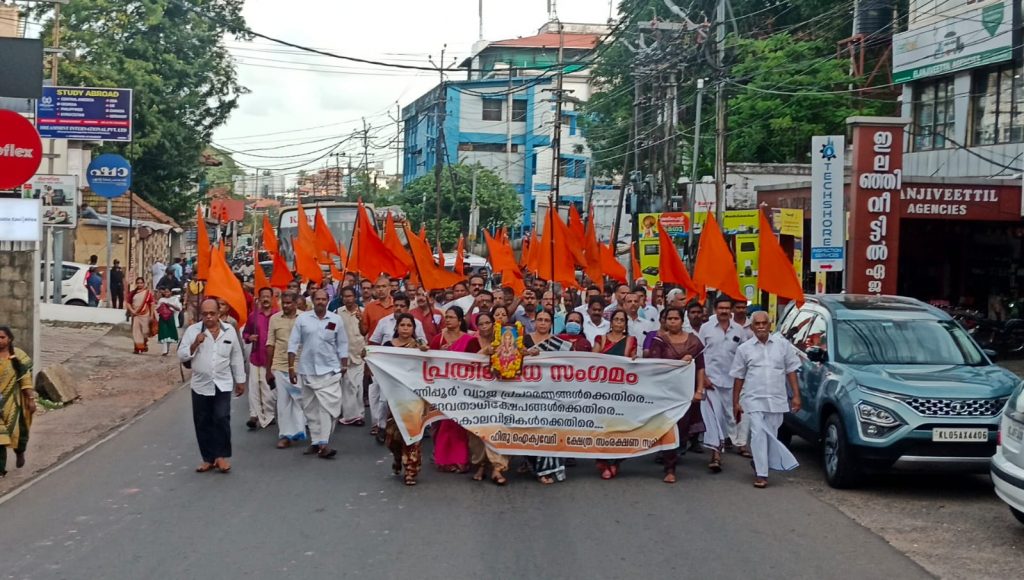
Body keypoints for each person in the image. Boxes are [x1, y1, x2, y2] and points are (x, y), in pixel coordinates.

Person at [730, 310, 802, 488]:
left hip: (777, 399)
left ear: (769, 325)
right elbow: (738, 376)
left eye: (764, 323)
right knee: (758, 435)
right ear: (752, 327)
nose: (761, 327)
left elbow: (791, 370)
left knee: (771, 435)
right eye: (757, 324)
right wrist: (735, 402)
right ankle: (762, 474)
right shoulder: (744, 349)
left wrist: (796, 396)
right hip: (753, 399)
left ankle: (759, 462)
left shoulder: (782, 345)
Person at [177, 299, 246, 473]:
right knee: (203, 421)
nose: (209, 317)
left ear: (218, 314)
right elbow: (182, 355)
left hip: (222, 383)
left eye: (212, 313)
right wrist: (195, 344)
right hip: (200, 384)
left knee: (221, 417)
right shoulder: (193, 331)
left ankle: (221, 457)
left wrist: (240, 380)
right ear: (201, 314)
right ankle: (207, 458)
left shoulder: (229, 331)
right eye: (205, 314)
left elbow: (236, 356)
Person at [647, 307, 707, 484]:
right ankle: (670, 468)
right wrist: (679, 363)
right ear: (665, 321)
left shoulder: (694, 342)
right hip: (666, 393)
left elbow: (701, 368)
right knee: (667, 428)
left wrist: (699, 390)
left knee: (681, 428)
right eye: (669, 319)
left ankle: (674, 455)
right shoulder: (659, 341)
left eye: (676, 318)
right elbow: (656, 366)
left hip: (686, 393)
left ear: (682, 320)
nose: (672, 321)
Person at [287, 289, 349, 459]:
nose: (321, 302)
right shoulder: (303, 319)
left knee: (327, 407)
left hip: (329, 370)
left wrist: (344, 365)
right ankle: (316, 442)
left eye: (324, 299)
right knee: (310, 408)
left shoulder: (336, 320)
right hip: (307, 370)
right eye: (318, 299)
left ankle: (324, 442)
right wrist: (291, 368)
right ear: (312, 301)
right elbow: (293, 344)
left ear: (328, 300)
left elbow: (342, 344)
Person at [698, 295, 752, 472]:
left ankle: (740, 443)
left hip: (733, 381)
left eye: (726, 309)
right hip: (710, 381)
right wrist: (703, 377)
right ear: (715, 310)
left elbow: (745, 356)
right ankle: (716, 455)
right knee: (715, 418)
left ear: (731, 311)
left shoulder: (739, 330)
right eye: (720, 308)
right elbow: (699, 355)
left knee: (733, 415)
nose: (723, 311)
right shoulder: (706, 329)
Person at [522, 310, 568, 484]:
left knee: (548, 431)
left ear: (551, 323)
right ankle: (532, 463)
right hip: (527, 393)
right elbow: (512, 359)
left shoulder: (559, 344)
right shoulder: (524, 340)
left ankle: (546, 470)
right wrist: (525, 354)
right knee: (529, 429)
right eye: (539, 320)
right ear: (534, 322)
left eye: (546, 320)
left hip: (551, 394)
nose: (542, 323)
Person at [383, 313, 429, 486]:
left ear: (413, 329)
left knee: (412, 433)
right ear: (396, 327)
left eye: (409, 326)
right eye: (402, 325)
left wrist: (424, 351)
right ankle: (397, 456)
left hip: (414, 395)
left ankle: (411, 470)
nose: (405, 329)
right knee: (392, 436)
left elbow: (427, 364)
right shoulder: (387, 346)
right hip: (395, 395)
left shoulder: (419, 346)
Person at [427, 306, 474, 473]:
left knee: (459, 425)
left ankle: (461, 460)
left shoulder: (469, 339)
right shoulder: (438, 339)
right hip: (443, 388)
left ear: (460, 320)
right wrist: (440, 353)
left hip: (463, 388)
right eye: (446, 317)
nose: (448, 320)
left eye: (452, 317)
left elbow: (474, 363)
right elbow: (429, 361)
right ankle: (444, 459)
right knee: (443, 424)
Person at [467, 311, 509, 485]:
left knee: (500, 428)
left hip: (501, 392)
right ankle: (481, 464)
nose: (484, 327)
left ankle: (498, 468)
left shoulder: (504, 340)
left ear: (494, 324)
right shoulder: (471, 342)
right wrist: (485, 351)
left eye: (487, 323)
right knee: (477, 430)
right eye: (481, 324)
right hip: (477, 393)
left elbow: (515, 358)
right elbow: (465, 364)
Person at [266, 291, 305, 448]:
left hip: (301, 366)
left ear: (296, 303)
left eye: (289, 303)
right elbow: (270, 344)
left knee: (300, 400)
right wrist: (268, 369)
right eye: (284, 303)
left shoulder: (305, 318)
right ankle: (285, 435)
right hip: (280, 365)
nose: (286, 305)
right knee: (283, 402)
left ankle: (299, 430)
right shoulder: (274, 319)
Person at [0, 326, 35, 477]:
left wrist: (30, 399)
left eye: (2, 337)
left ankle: (20, 452)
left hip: (13, 403)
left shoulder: (18, 356)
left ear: (10, 339)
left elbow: (25, 379)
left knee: (20, 433)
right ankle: (1, 469)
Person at [243, 287, 278, 430]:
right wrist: (250, 337)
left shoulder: (278, 315)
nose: (265, 299)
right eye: (262, 296)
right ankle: (254, 415)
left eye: (267, 297)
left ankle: (269, 416)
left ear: (272, 298)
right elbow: (245, 334)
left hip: (272, 359)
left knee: (268, 390)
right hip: (256, 356)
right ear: (259, 298)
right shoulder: (254, 316)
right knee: (254, 388)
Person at [337, 286, 368, 427]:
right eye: (345, 296)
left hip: (359, 354)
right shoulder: (338, 313)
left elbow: (365, 331)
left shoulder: (363, 311)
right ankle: (350, 415)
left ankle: (359, 414)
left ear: (355, 297)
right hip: (344, 355)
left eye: (350, 296)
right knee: (347, 386)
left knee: (358, 386)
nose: (348, 299)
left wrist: (361, 319)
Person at [127, 277, 155, 354]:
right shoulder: (133, 293)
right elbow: (128, 303)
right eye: (138, 283)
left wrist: (152, 315)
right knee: (136, 332)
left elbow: (152, 303)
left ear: (143, 283)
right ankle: (137, 348)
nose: (139, 284)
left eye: (141, 283)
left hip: (145, 314)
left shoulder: (147, 293)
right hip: (135, 315)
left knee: (145, 331)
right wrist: (132, 311)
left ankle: (144, 344)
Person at [155, 287, 181, 356]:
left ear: (171, 292)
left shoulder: (175, 299)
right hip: (162, 318)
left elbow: (179, 309)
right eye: (165, 292)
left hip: (171, 318)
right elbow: (157, 309)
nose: (166, 293)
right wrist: (161, 306)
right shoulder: (161, 299)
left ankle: (167, 349)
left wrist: (170, 305)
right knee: (164, 333)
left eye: (168, 292)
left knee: (169, 334)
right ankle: (164, 350)